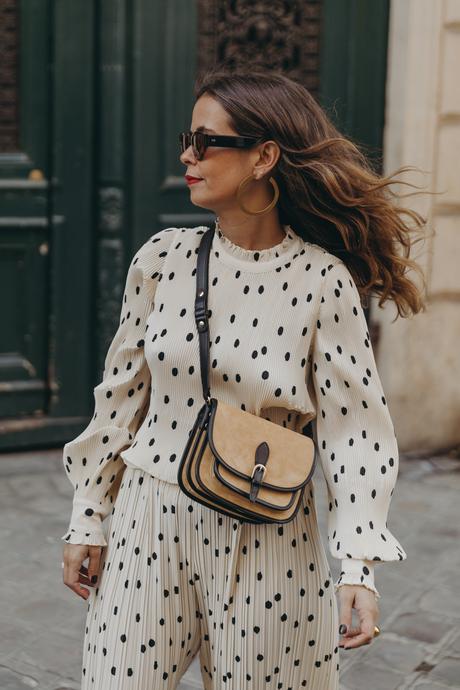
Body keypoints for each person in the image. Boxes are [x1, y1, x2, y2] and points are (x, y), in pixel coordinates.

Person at [61, 68, 427, 690]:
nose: (187, 155)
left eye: (205, 142)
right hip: (150, 516)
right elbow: (120, 398)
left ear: (264, 157)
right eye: (188, 139)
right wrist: (89, 516)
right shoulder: (162, 258)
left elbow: (355, 432)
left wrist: (358, 568)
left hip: (269, 530)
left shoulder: (322, 281)